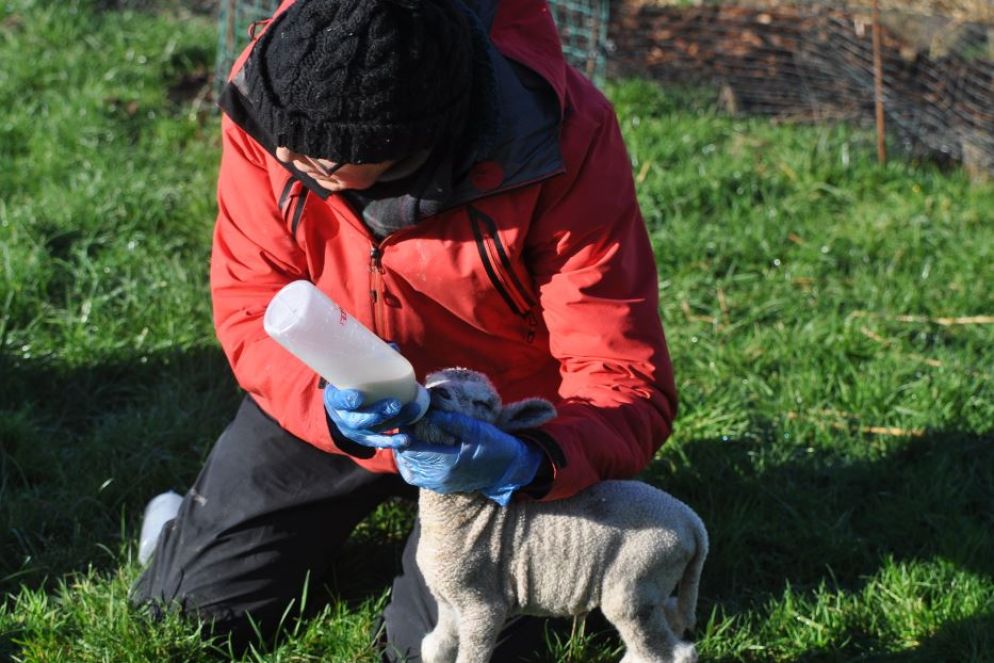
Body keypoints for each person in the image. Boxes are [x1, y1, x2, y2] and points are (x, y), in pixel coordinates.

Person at [130, 0, 678, 659]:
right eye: (282, 144)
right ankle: (188, 530)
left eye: (316, 163)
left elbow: (624, 377)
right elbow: (251, 294)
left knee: (445, 651)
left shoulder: (563, 140)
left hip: (493, 423)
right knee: (184, 611)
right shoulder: (277, 89)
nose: (281, 155)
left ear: (412, 149)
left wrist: (532, 458)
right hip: (340, 388)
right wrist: (325, 406)